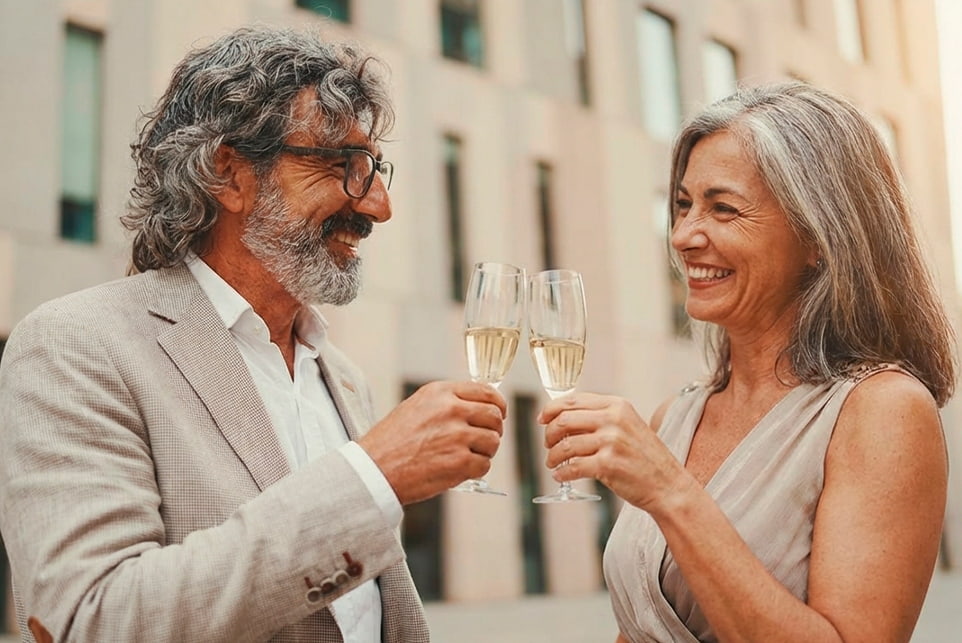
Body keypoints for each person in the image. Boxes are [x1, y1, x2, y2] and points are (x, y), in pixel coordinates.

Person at [0, 26, 507, 642]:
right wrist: (373, 477)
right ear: (229, 173)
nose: (377, 205)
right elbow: (91, 620)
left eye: (373, 168)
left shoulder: (341, 376)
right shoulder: (74, 347)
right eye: (342, 165)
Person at [539, 82, 956, 643]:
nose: (684, 235)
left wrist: (670, 491)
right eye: (683, 205)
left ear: (818, 236)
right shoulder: (674, 417)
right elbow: (643, 626)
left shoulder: (882, 412)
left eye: (723, 208)